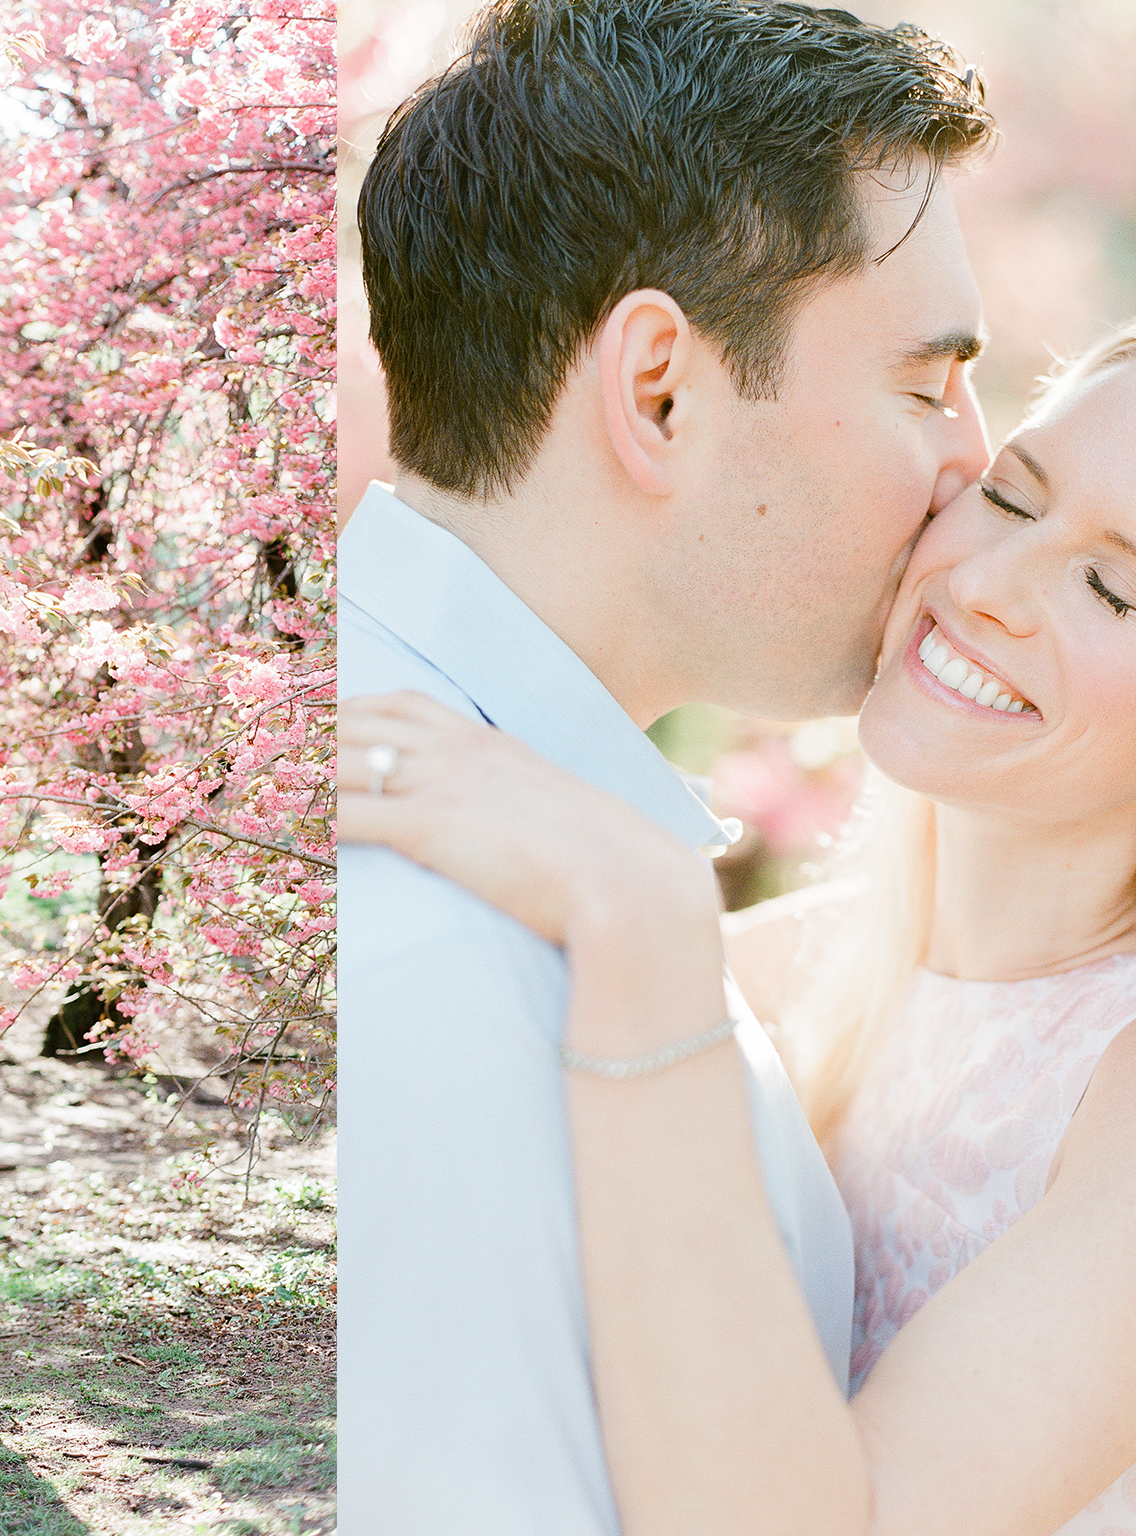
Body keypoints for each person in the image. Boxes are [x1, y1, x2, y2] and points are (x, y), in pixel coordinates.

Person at [340, 306, 1136, 1535]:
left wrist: (643, 917)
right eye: (1009, 497)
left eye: (1109, 589)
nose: (984, 586)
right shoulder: (773, 971)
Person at [339, 0, 992, 1526]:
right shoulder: (439, 956)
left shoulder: (544, 864)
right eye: (926, 380)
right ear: (662, 393)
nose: (974, 458)